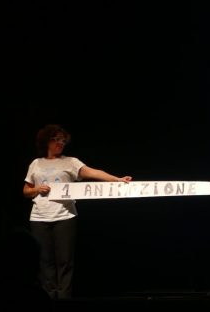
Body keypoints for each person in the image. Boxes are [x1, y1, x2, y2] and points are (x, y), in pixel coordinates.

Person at [23, 124, 132, 299]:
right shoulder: (36, 163)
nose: (60, 143)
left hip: (64, 216)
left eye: (63, 140)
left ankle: (64, 301)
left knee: (64, 261)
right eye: (56, 139)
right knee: (45, 262)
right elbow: (26, 191)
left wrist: (116, 179)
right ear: (46, 141)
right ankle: (48, 300)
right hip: (39, 217)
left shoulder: (71, 162)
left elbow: (93, 172)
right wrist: (37, 189)